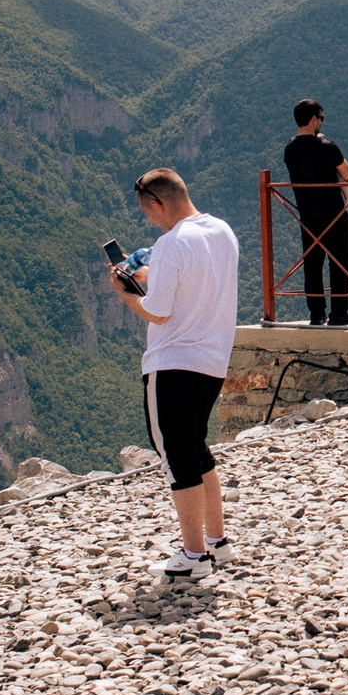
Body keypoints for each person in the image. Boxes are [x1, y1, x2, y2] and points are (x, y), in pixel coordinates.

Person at [109, 168, 239, 584]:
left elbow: (158, 311)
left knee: (177, 458)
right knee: (198, 450)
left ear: (157, 204)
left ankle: (193, 556)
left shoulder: (170, 243)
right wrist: (152, 275)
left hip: (172, 363)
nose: (152, 220)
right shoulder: (222, 231)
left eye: (149, 213)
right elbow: (193, 285)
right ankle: (218, 542)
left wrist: (125, 291)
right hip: (212, 360)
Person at [284, 99, 348, 326]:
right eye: (321, 118)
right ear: (314, 119)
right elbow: (347, 174)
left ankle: (316, 314)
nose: (321, 123)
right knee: (340, 262)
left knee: (313, 264)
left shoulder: (290, 150)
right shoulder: (328, 148)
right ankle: (339, 312)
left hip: (307, 215)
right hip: (334, 214)